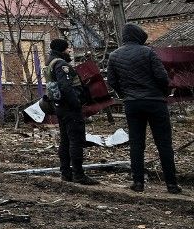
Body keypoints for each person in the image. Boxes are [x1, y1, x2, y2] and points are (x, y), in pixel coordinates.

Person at [106, 23, 182, 194]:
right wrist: (162, 93)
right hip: (155, 102)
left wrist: (125, 94)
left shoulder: (114, 55)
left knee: (136, 143)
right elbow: (162, 76)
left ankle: (138, 182)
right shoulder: (148, 52)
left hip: (132, 104)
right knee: (163, 143)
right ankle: (171, 184)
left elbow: (111, 81)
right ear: (138, 37)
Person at [44, 38, 97, 185]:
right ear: (62, 50)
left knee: (65, 140)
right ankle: (79, 174)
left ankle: (66, 173)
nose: (69, 51)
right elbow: (66, 87)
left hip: (60, 107)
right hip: (69, 109)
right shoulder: (61, 64)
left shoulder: (50, 63)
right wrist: (77, 103)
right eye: (67, 48)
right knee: (76, 141)